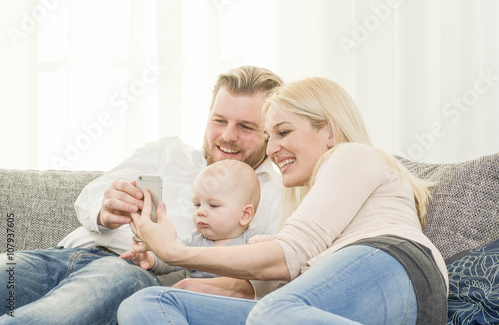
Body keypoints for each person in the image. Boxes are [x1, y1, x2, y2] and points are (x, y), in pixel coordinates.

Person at [117, 77, 449, 324]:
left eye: (284, 132)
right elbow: (288, 284)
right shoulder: (304, 200)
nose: (272, 148)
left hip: (396, 267)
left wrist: (175, 251)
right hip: (317, 308)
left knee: (273, 314)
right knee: (149, 303)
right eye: (268, 137)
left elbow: (288, 258)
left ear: (329, 131)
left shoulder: (354, 155)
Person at [0, 66, 284, 324]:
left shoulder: (276, 192)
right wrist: (105, 208)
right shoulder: (167, 152)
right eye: (219, 120)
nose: (228, 135)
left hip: (130, 273)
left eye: (246, 127)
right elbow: (92, 193)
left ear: (269, 133)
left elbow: (272, 273)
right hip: (61, 255)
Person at [121, 159, 263, 279]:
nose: (201, 211)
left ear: (245, 215)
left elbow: (270, 258)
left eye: (213, 205)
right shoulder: (195, 241)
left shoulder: (251, 241)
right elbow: (170, 258)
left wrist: (263, 243)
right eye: (197, 204)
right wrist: (151, 259)